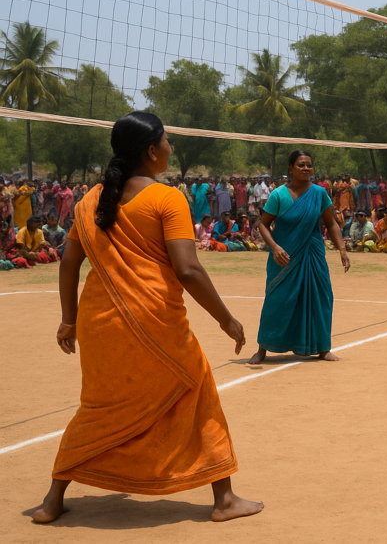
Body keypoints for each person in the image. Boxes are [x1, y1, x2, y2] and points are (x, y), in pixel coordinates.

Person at [32, 112, 262, 524]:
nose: (172, 148)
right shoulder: (167, 198)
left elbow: (68, 263)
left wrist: (69, 320)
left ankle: (52, 500)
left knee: (100, 406)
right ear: (152, 151)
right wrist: (226, 319)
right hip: (154, 320)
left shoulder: (90, 200)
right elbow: (188, 269)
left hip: (99, 323)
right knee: (199, 392)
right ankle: (224, 499)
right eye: (168, 141)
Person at [247, 150, 350, 365]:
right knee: (276, 300)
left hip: (312, 254)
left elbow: (330, 222)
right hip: (283, 256)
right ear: (290, 168)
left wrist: (342, 249)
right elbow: (263, 224)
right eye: (301, 164)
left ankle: (323, 348)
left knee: (320, 298)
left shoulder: (319, 194)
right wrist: (274, 247)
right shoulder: (278, 194)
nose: (306, 168)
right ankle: (262, 349)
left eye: (309, 165)